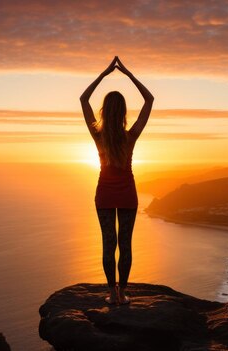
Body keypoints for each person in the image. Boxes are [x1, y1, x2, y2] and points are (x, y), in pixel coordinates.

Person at [79, 57, 154, 305]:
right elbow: (149, 100)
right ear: (122, 112)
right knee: (126, 245)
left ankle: (112, 293)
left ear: (104, 111)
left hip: (104, 195)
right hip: (127, 195)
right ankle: (122, 293)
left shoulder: (98, 136)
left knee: (108, 244)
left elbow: (83, 99)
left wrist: (104, 74)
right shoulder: (130, 136)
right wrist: (129, 74)